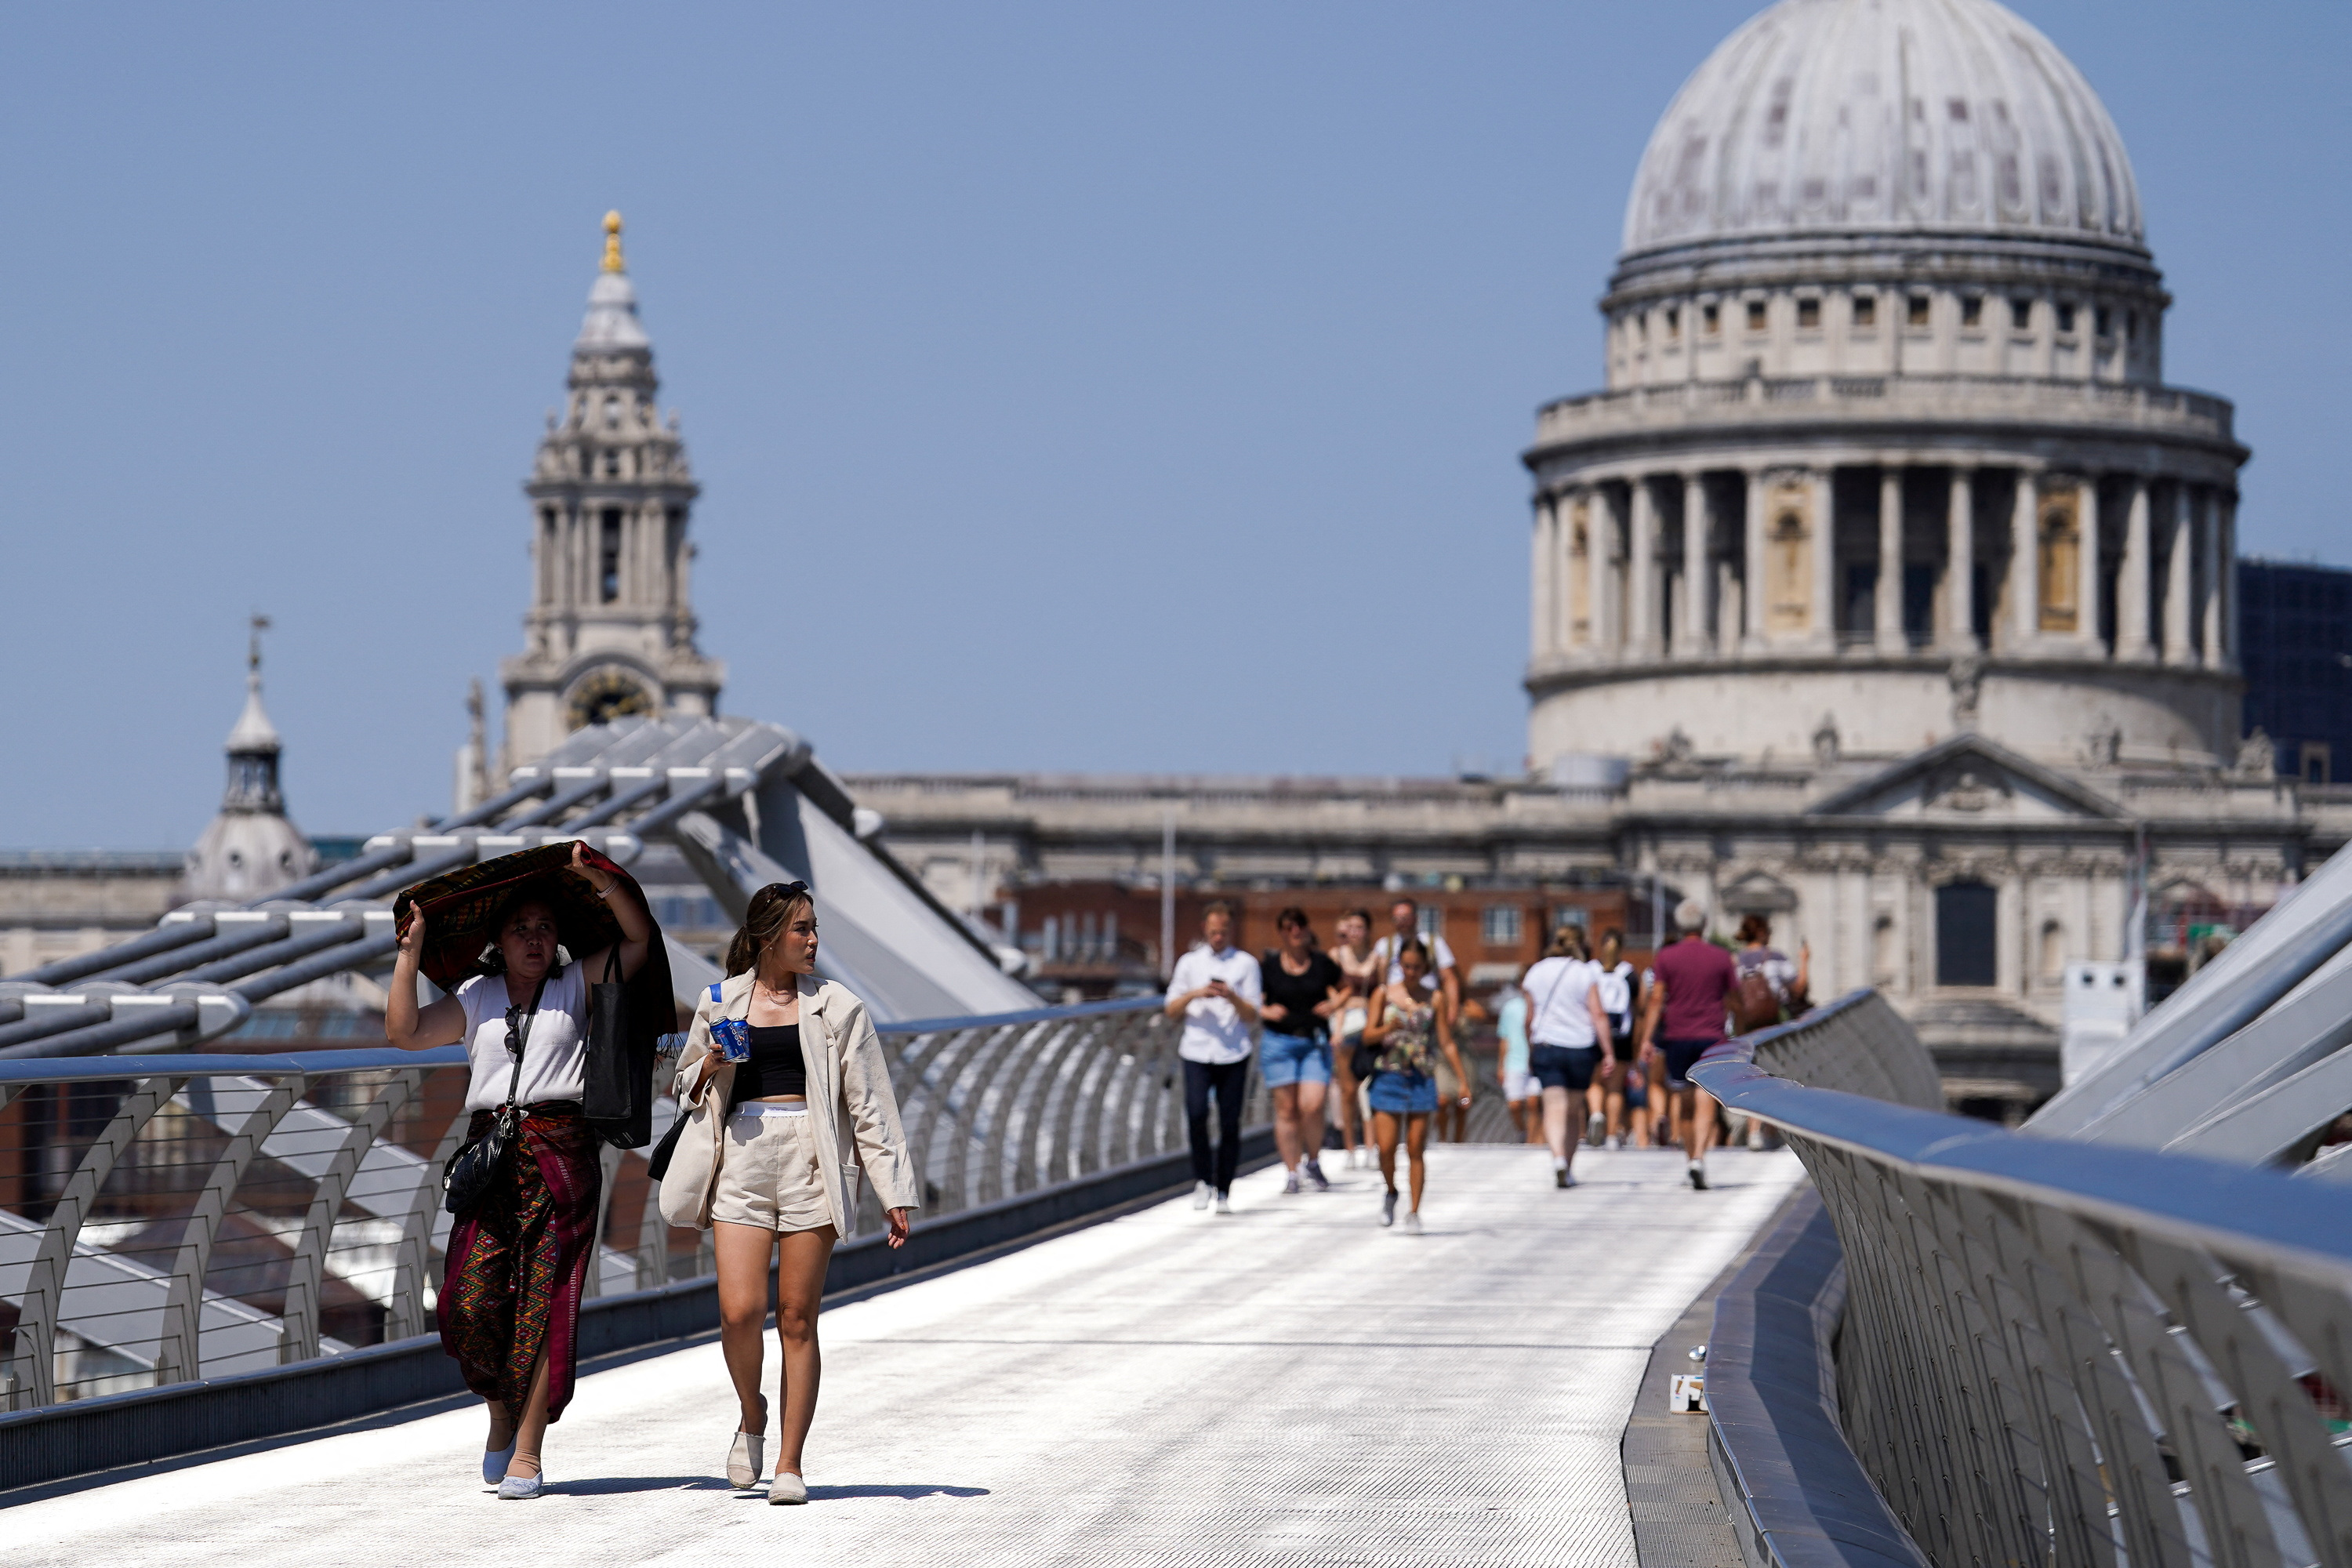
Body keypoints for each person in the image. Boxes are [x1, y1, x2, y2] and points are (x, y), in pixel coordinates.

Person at [387, 842, 655, 1500]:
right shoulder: (475, 997)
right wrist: (409, 952)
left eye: (544, 929)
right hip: (491, 1156)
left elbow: (639, 940)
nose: (534, 941)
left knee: (547, 1301)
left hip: (562, 1155)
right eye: (520, 930)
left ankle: (528, 1449)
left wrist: (601, 880)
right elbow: (405, 1031)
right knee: (466, 1304)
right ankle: (500, 1409)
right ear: (497, 941)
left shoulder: (577, 985)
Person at [659, 880, 920, 1504]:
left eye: (814, 928)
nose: (813, 941)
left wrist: (892, 1191)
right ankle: (752, 1414)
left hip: (811, 1159)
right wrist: (713, 1062)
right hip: (742, 1159)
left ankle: (789, 1463)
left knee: (798, 1318)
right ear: (769, 936)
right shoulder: (719, 1001)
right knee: (739, 1312)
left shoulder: (838, 1007)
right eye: (802, 929)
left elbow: (870, 1105)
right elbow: (682, 1083)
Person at [1359, 940, 1471, 1234]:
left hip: (1421, 1077)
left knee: (1415, 1148)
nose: (1410, 972)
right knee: (1385, 1148)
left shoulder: (1434, 998)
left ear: (1425, 968)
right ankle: (1391, 1190)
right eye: (1406, 966)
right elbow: (1368, 1035)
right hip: (1388, 1075)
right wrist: (1388, 1029)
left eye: (1416, 967)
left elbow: (1446, 1042)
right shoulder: (1384, 994)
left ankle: (1414, 1211)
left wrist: (1462, 1081)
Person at [1163, 902, 1262, 1214]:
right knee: (1196, 1114)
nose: (1218, 937)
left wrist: (1231, 996)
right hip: (1196, 1049)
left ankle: (1224, 1188)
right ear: (1205, 930)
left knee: (1230, 1122)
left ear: (1230, 930)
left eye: (1223, 931)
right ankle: (1202, 1180)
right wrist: (1197, 993)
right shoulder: (1189, 963)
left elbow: (1253, 1015)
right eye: (1213, 931)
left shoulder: (1246, 964)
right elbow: (1170, 1009)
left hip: (1233, 1051)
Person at [1636, 899, 1739, 1189]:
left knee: (1682, 1100)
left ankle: (1690, 1158)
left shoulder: (1667, 958)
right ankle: (1701, 1159)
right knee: (1705, 1099)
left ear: (1679, 927)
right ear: (1704, 925)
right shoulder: (1721, 957)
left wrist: (1646, 1039)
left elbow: (1656, 999)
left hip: (1677, 1037)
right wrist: (1740, 1028)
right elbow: (1735, 1000)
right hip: (1712, 1036)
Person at [1521, 926, 1615, 1188]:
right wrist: (1608, 1052)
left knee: (1553, 1106)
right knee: (1573, 1111)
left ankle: (1558, 1159)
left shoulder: (1536, 971)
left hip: (1547, 1044)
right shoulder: (1585, 972)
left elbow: (1528, 1018)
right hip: (1579, 1046)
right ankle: (1569, 1166)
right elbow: (1598, 1014)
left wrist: (1530, 1046)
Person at [1259, 906, 1344, 1194]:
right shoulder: (1269, 966)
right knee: (1287, 1109)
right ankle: (1292, 1171)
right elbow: (1254, 1000)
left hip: (1313, 1042)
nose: (1295, 932)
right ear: (1282, 932)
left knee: (1313, 1104)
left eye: (1300, 926)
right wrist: (1266, 1011)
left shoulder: (1322, 964)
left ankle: (1314, 1159)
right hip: (1279, 1042)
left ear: (1307, 929)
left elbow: (1345, 988)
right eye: (1289, 927)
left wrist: (1334, 1004)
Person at [1368, 898, 1464, 1139]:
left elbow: (1450, 976)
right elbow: (1373, 977)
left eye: (1406, 917)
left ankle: (1443, 1131)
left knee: (1418, 1139)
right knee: (1388, 1144)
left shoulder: (1433, 943)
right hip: (1394, 1013)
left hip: (1426, 1014)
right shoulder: (1385, 945)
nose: (1401, 922)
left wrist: (1452, 1009)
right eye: (1396, 918)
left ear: (1416, 918)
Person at [1327, 909, 1379, 1168]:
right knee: (1347, 1090)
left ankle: (1371, 1145)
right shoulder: (1336, 956)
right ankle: (1350, 1147)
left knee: (1367, 1089)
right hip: (1345, 1024)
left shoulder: (1377, 959)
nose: (1354, 932)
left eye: (1359, 927)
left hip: (1369, 1025)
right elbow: (1333, 996)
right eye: (1351, 927)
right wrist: (1335, 1029)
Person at [1591, 931, 1640, 1150]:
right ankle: (1612, 1135)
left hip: (1594, 1035)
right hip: (1622, 1036)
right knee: (1615, 1088)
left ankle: (1596, 1113)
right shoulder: (1629, 973)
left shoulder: (1590, 970)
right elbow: (1638, 1009)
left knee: (1594, 1082)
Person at [1733, 915, 1810, 1028]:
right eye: (1769, 931)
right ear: (1761, 933)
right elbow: (1799, 989)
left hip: (1745, 1026)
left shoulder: (1735, 961)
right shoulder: (1775, 957)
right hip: (1772, 1024)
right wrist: (1804, 960)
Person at [1495, 974, 1540, 1144]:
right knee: (1514, 1104)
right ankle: (1523, 1132)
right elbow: (1504, 1039)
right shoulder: (1510, 1007)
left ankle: (1532, 1141)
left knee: (1534, 1103)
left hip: (1536, 1062)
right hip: (1514, 1062)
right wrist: (1500, 1066)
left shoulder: (1540, 1006)